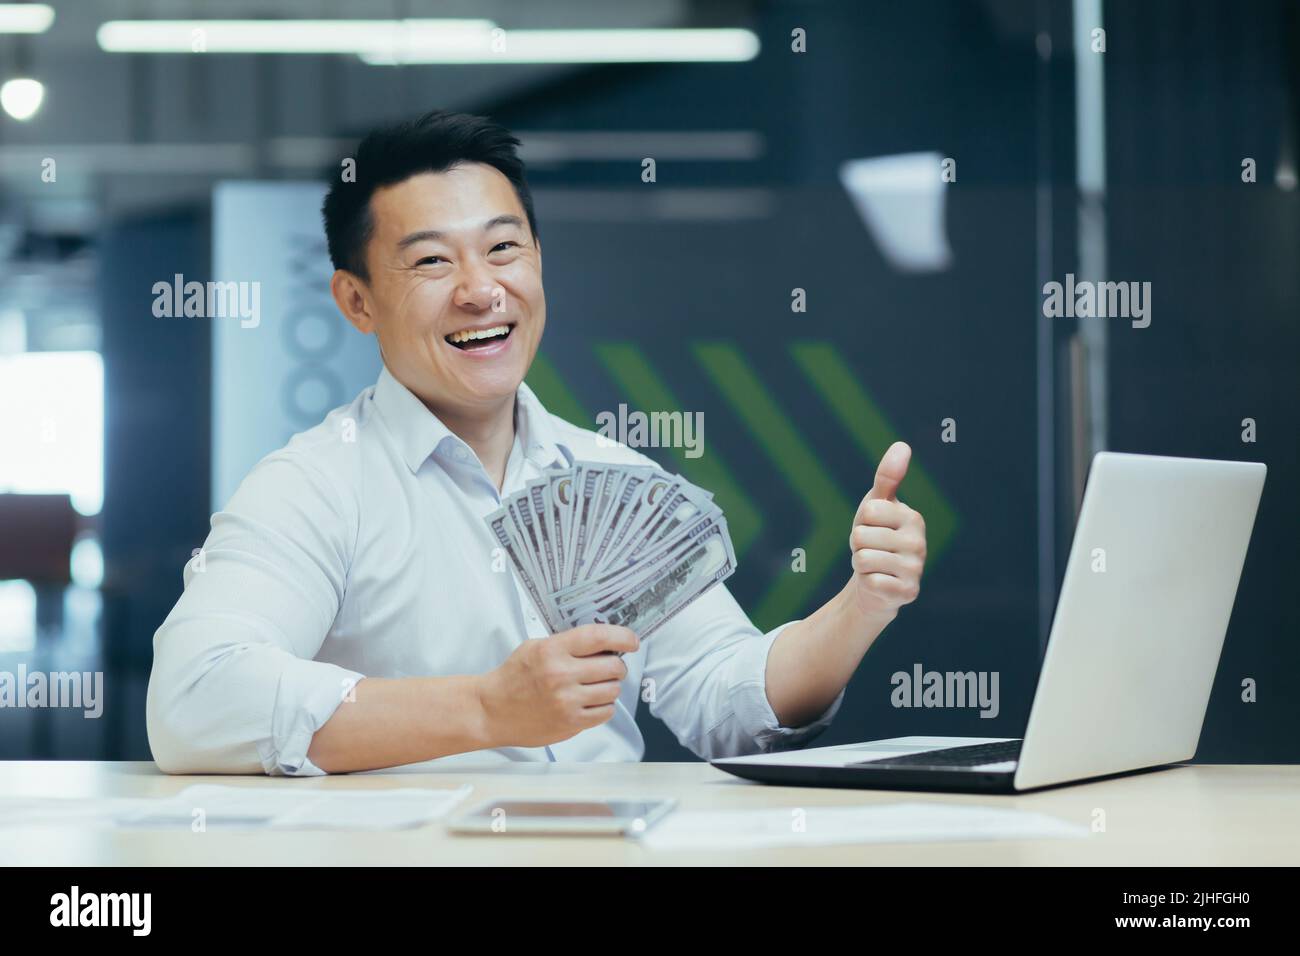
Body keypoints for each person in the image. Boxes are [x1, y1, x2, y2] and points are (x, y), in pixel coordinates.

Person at [146, 109, 928, 775]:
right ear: (356, 301)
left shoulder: (612, 477)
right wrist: (487, 709)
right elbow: (193, 698)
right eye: (430, 260)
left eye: (503, 247)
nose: (481, 289)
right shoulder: (313, 486)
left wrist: (861, 605)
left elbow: (732, 705)